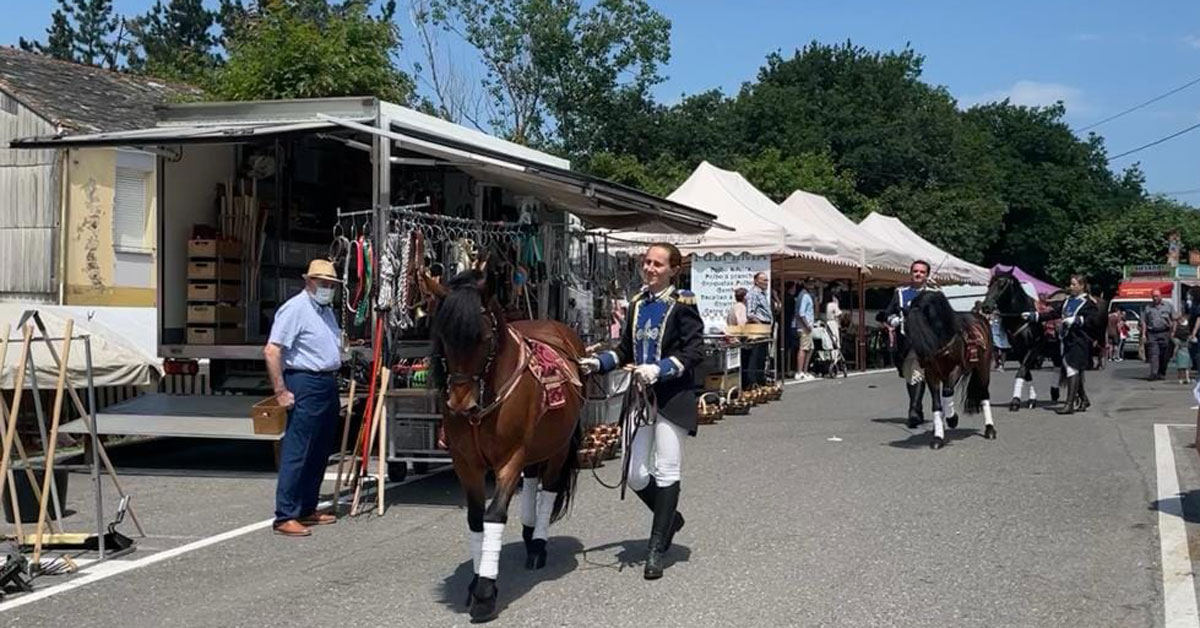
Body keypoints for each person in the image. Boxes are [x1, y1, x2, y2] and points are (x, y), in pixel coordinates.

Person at [578, 242, 704, 580]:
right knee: (633, 473)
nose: (649, 268)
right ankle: (670, 517)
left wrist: (661, 369)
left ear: (673, 269)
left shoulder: (683, 303)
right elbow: (624, 350)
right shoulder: (636, 304)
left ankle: (656, 548)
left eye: (658, 264)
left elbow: (695, 351)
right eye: (647, 262)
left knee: (666, 469)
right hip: (639, 396)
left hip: (671, 396)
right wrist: (598, 363)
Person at [264, 259, 345, 537]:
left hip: (326, 381)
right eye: (323, 283)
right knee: (298, 449)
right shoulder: (295, 308)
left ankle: (307, 507)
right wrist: (280, 390)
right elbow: (272, 350)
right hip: (304, 380)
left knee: (321, 449)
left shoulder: (326, 311)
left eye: (331, 285)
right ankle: (285, 514)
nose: (327, 288)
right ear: (309, 282)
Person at [1025, 274, 1099, 415]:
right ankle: (1083, 399)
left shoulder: (1088, 303)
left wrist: (1077, 320)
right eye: (1071, 284)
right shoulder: (1067, 301)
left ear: (1082, 286)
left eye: (1074, 284)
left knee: (1072, 370)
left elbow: (1093, 320)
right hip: (1065, 339)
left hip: (1079, 340)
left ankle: (1069, 404)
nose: (1071, 287)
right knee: (1071, 370)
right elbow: (1054, 314)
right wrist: (1034, 316)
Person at [883, 260, 936, 428]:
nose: (918, 274)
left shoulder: (934, 294)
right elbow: (888, 313)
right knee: (910, 375)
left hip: (927, 343)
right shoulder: (900, 293)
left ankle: (913, 409)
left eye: (922, 272)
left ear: (927, 275)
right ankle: (917, 407)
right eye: (915, 271)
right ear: (911, 273)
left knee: (917, 372)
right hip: (905, 342)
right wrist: (894, 319)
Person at [745, 271, 773, 388]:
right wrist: (760, 324)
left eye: (767, 280)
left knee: (762, 355)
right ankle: (752, 381)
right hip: (758, 326)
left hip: (765, 325)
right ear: (756, 281)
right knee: (755, 355)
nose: (767, 283)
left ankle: (760, 379)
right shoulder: (753, 294)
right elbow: (750, 313)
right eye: (764, 280)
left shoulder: (762, 294)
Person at [1142, 289, 1175, 381]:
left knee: (1164, 355)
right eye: (1153, 296)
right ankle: (1154, 373)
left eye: (1157, 296)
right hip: (1152, 333)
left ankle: (1162, 372)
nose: (1155, 298)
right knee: (1154, 354)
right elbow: (1144, 321)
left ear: (1161, 296)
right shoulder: (1148, 308)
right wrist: (1144, 334)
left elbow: (1174, 319)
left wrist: (1173, 332)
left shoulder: (1168, 306)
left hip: (1165, 333)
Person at [793, 279, 816, 381]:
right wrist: (807, 325)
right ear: (805, 284)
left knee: (810, 348)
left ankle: (805, 371)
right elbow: (801, 313)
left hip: (805, 326)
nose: (812, 285)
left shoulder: (804, 295)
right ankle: (800, 371)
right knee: (804, 348)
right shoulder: (805, 296)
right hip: (804, 327)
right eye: (809, 283)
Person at [1174, 312, 1192, 384]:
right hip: (1181, 345)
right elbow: (1174, 334)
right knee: (1180, 365)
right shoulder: (1177, 324)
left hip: (1185, 346)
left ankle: (1187, 378)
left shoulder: (1188, 324)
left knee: (1186, 365)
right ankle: (1181, 378)